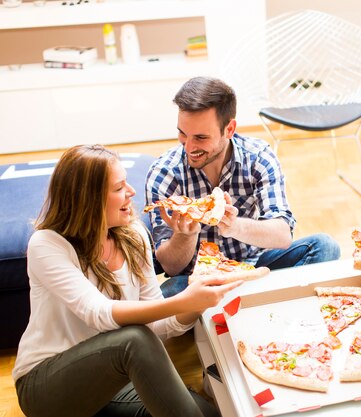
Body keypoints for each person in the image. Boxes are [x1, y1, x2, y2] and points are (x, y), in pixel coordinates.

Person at [13, 145, 242, 417]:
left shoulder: (133, 234)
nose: (131, 193)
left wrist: (198, 300)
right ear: (89, 198)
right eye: (119, 187)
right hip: (46, 386)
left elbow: (157, 326)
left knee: (209, 413)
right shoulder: (48, 244)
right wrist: (182, 300)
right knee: (134, 338)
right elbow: (98, 313)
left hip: (111, 381)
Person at [146, 77, 340, 297]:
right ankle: (264, 299)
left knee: (325, 247)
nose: (189, 147)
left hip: (255, 266)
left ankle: (252, 300)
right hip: (196, 281)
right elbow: (171, 268)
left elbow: (283, 235)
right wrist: (185, 236)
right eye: (183, 133)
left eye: (200, 137)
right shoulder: (164, 173)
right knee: (167, 294)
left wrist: (233, 226)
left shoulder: (258, 157)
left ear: (229, 129)